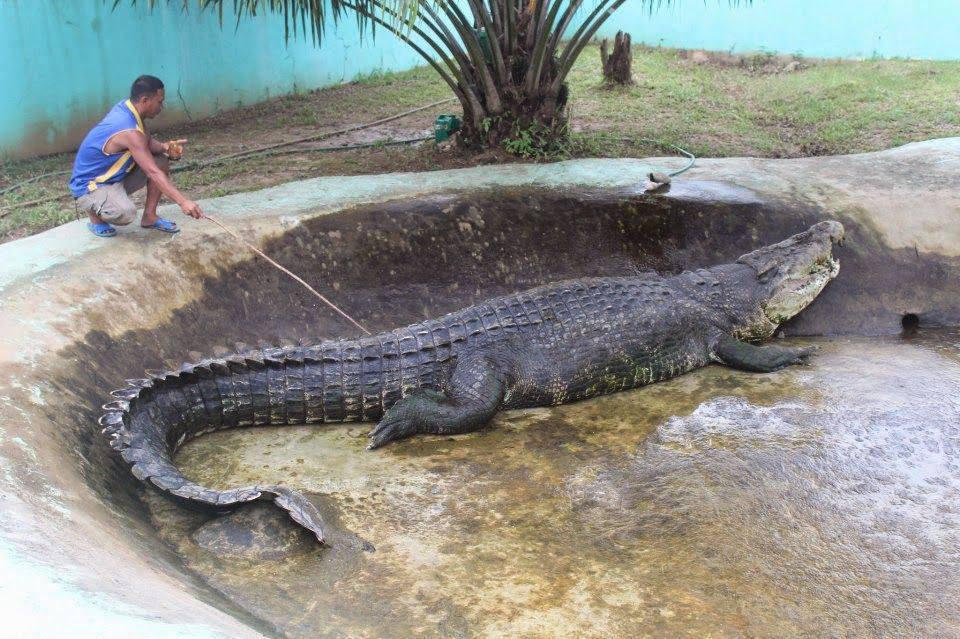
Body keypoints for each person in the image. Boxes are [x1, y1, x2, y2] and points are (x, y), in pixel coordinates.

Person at [69, 75, 204, 237]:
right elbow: (152, 172)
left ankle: (149, 217)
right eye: (160, 102)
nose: (162, 107)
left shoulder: (129, 109)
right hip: (90, 187)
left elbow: (146, 141)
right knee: (125, 212)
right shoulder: (129, 129)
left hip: (113, 178)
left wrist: (165, 147)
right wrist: (183, 202)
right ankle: (95, 216)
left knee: (160, 160)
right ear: (145, 100)